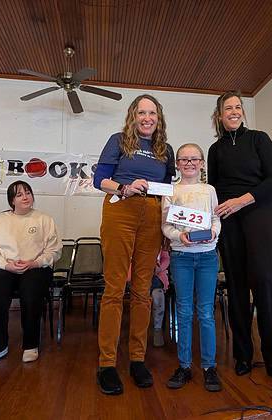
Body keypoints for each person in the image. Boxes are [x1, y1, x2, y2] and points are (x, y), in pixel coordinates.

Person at [93, 94, 175, 395]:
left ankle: (138, 359)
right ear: (133, 116)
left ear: (159, 117)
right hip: (120, 209)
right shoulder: (118, 140)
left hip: (152, 215)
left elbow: (169, 189)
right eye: (141, 112)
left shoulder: (165, 150)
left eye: (152, 113)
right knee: (115, 287)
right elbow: (99, 179)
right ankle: (107, 363)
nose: (147, 118)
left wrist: (169, 226)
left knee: (143, 290)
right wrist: (125, 187)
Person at [208, 91, 272, 379]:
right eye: (228, 108)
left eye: (238, 107)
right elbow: (213, 188)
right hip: (228, 221)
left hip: (259, 214)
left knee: (265, 282)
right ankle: (242, 355)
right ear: (219, 115)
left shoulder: (259, 139)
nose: (234, 111)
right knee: (237, 286)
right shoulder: (216, 150)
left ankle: (271, 353)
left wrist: (243, 199)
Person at [0, 181, 62, 367]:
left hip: (35, 267)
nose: (26, 197)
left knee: (31, 292)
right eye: (20, 194)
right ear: (11, 200)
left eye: (28, 192)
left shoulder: (44, 219)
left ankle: (31, 345)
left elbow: (54, 251)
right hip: (6, 267)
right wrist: (6, 265)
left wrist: (34, 263)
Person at [162, 143, 222, 392]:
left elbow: (216, 219)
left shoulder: (209, 189)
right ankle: (184, 365)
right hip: (182, 258)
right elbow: (166, 226)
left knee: (206, 313)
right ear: (177, 164)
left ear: (201, 163)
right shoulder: (170, 190)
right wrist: (179, 237)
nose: (189, 163)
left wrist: (213, 234)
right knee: (184, 313)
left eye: (193, 159)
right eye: (183, 159)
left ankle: (209, 367)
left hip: (208, 256)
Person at [151, 249, 169, 347]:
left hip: (157, 276)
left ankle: (157, 330)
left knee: (158, 296)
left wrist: (159, 268)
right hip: (137, 274)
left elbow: (166, 258)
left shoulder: (160, 241)